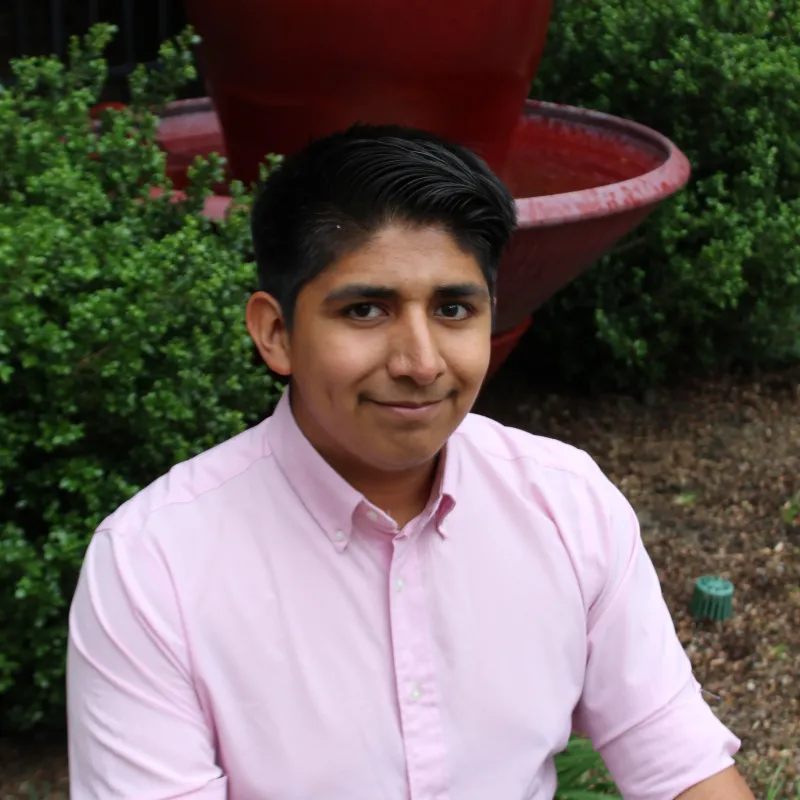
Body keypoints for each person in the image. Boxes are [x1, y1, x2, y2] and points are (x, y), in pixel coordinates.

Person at [67, 124, 754, 800]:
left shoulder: (567, 504)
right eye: (366, 310)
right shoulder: (152, 568)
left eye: (454, 308)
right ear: (276, 333)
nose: (421, 363)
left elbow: (681, 767)